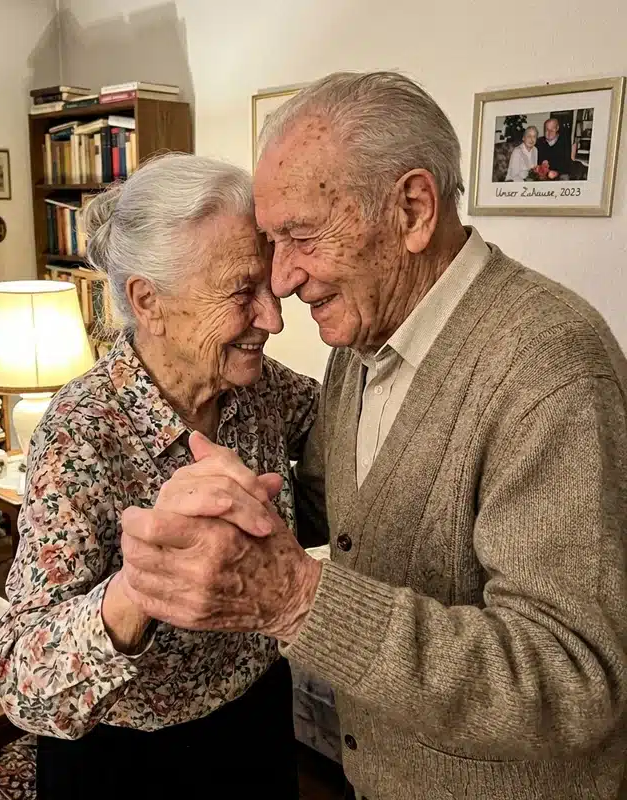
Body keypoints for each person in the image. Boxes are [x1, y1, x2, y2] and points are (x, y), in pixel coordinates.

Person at [116, 72, 627, 800]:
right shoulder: (361, 340)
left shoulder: (551, 367)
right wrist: (224, 506)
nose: (284, 282)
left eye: (299, 237)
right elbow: (346, 506)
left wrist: (296, 598)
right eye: (270, 242)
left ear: (413, 210)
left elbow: (575, 680)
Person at [0, 154, 320, 799]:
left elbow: (354, 433)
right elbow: (19, 679)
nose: (273, 319)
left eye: (271, 288)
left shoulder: (268, 393)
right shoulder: (83, 430)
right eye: (240, 292)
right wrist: (144, 584)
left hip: (255, 718)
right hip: (130, 759)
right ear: (149, 301)